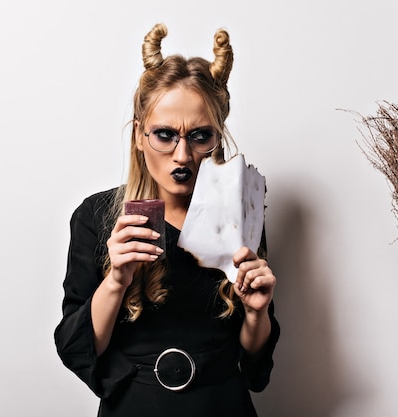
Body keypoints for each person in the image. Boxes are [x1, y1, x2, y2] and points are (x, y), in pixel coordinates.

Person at [54, 23, 280, 417]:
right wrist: (117, 279)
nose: (181, 155)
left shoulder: (241, 216)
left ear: (218, 138)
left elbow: (255, 367)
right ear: (139, 136)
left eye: (199, 135)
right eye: (164, 135)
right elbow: (77, 348)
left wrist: (258, 312)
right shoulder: (96, 217)